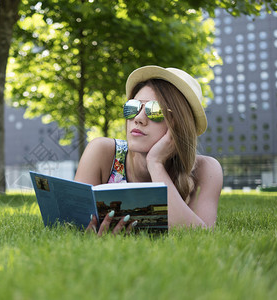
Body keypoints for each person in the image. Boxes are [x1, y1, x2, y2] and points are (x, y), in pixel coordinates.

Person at [74, 65, 223, 236]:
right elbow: (73, 223)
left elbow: (201, 237)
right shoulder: (101, 151)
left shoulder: (207, 169)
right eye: (133, 107)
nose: (138, 118)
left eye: (155, 110)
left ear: (179, 125)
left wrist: (156, 164)